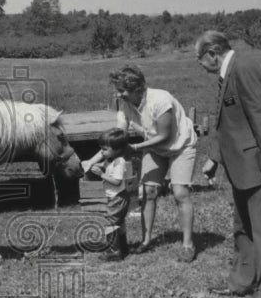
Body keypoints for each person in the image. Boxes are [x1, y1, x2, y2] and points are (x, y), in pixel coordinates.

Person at [194, 30, 261, 298]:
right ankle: (243, 281)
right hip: (242, 165)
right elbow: (228, 122)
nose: (199, 65)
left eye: (199, 59)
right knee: (244, 228)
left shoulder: (244, 68)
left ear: (212, 53)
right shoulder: (228, 73)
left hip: (259, 166)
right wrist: (214, 158)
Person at [83, 65, 198, 261]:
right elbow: (117, 138)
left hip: (181, 145)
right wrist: (91, 161)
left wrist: (135, 149)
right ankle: (146, 241)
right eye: (117, 90)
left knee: (180, 193)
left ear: (138, 88)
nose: (119, 95)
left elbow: (165, 135)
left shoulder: (160, 100)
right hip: (155, 147)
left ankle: (188, 245)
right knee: (148, 192)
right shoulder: (125, 104)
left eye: (122, 91)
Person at [87, 128, 132, 261]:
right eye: (101, 148)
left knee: (110, 224)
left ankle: (113, 252)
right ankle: (123, 248)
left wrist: (102, 175)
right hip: (117, 197)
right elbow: (108, 168)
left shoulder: (119, 162)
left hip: (117, 197)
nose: (101, 152)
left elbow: (117, 181)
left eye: (105, 149)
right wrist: (99, 167)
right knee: (119, 222)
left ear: (117, 149)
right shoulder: (111, 159)